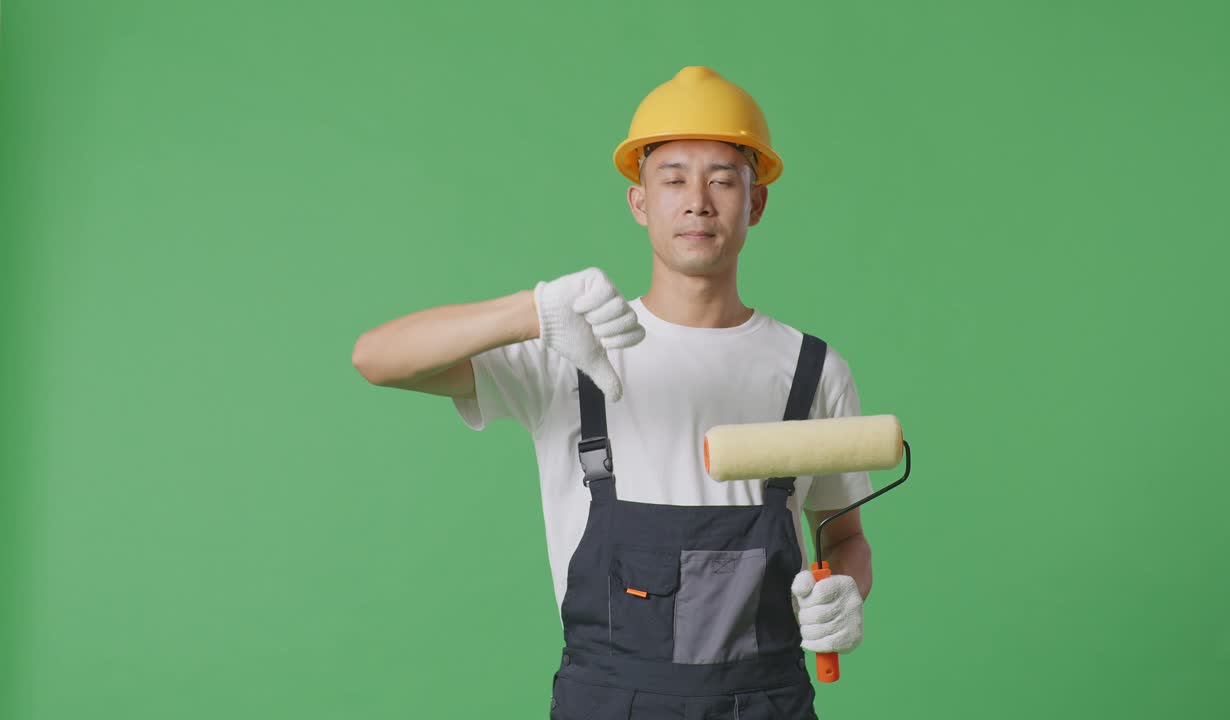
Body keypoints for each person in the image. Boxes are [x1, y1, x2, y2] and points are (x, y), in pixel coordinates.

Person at [353, 66, 872, 719]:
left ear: (756, 201)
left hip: (764, 704)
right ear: (639, 201)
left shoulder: (812, 370)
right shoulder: (570, 347)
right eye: (674, 178)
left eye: (722, 178)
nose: (698, 201)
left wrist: (847, 591)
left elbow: (844, 535)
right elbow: (376, 357)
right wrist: (532, 311)